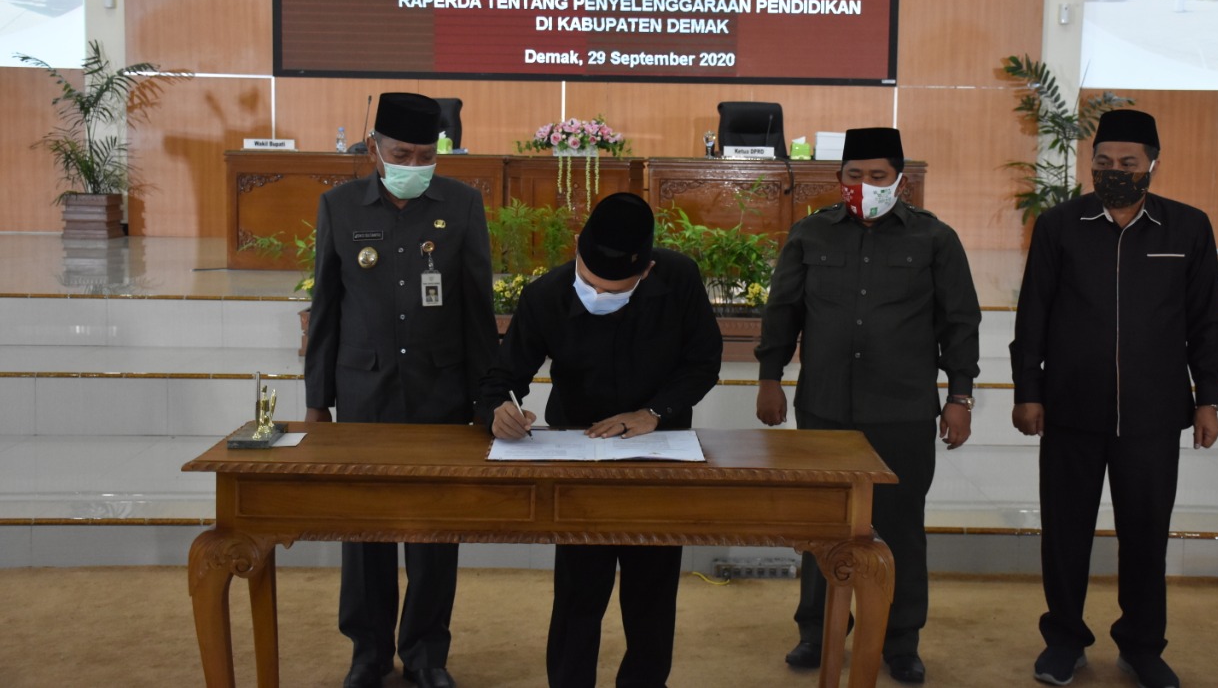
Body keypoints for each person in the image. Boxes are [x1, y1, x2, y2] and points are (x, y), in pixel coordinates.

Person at [1009, 109, 1218, 688]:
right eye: (1102, 162)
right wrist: (1027, 390)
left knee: (1146, 532)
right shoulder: (1060, 225)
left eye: (1127, 163)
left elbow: (1207, 321)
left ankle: (1142, 646)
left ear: (1153, 164)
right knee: (1065, 533)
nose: (1114, 172)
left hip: (1154, 415)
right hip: (1070, 410)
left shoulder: (1188, 228)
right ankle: (1063, 641)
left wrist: (1208, 397)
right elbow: (1033, 316)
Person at [755, 127, 981, 685]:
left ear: (899, 181)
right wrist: (769, 377)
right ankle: (816, 631)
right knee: (823, 525)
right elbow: (783, 311)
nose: (865, 186)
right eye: (854, 175)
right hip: (825, 407)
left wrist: (960, 395)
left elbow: (960, 322)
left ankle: (900, 641)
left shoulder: (935, 239)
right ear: (839, 179)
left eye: (878, 176)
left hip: (902, 409)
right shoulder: (810, 234)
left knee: (900, 527)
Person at [479, 192, 722, 688]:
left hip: (658, 451)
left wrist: (654, 412)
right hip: (578, 453)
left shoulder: (679, 279)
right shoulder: (546, 294)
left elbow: (703, 362)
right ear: (577, 249)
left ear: (648, 270)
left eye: (618, 290)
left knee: (651, 594)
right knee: (577, 592)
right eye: (591, 284)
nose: (601, 296)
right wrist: (498, 412)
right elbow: (501, 377)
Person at [305, 92, 499, 688]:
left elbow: (476, 309)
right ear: (374, 149)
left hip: (440, 395)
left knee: (434, 534)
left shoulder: (463, 205)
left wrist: (487, 399)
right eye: (401, 153)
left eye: (425, 153)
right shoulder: (339, 206)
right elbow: (327, 309)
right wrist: (317, 403)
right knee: (365, 532)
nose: (413, 163)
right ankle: (367, 652)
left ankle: (426, 654)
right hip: (364, 394)